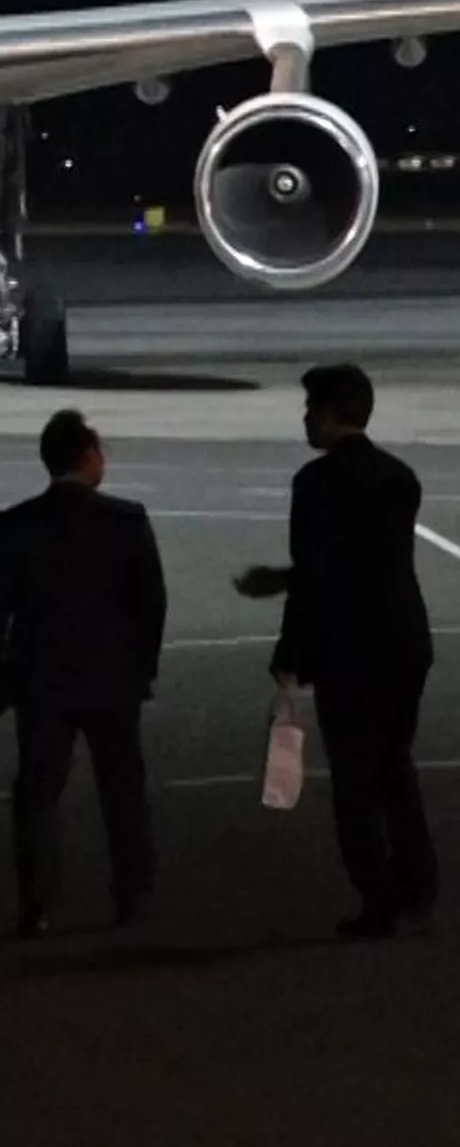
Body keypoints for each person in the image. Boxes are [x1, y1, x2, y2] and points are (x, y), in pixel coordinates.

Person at [234, 362, 436, 938]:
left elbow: (321, 576)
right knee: (395, 764)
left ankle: (377, 897)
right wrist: (287, 578)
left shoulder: (316, 484)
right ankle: (418, 880)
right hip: (404, 640)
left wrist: (288, 655)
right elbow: (365, 562)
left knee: (354, 779)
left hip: (350, 650)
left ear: (328, 413)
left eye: (310, 409)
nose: (304, 419)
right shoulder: (400, 478)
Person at [0, 408, 168, 937]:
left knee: (37, 793)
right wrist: (142, 667)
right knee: (122, 790)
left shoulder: (15, 524)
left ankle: (37, 903)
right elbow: (151, 604)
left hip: (41, 678)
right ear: (88, 456)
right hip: (112, 678)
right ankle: (132, 895)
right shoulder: (126, 521)